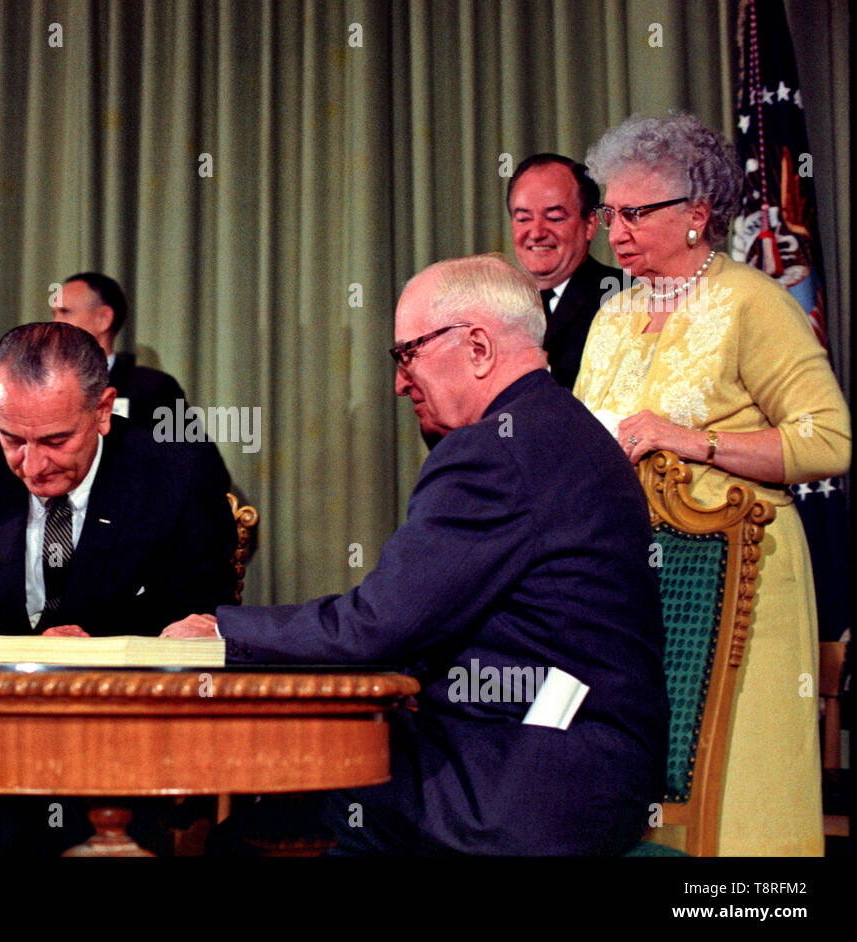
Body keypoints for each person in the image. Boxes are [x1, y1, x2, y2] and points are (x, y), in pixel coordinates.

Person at [165, 254, 668, 856]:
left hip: (519, 784)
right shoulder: (569, 428)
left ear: (478, 346)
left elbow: (377, 627)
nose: (400, 382)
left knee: (269, 815)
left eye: (408, 353)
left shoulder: (493, 453)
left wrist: (223, 630)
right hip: (583, 772)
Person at [574, 112, 851, 855]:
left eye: (635, 213)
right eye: (608, 213)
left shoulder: (753, 303)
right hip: (640, 587)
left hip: (747, 583)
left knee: (743, 792)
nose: (614, 230)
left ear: (697, 216)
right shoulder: (612, 315)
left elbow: (829, 440)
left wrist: (694, 440)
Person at [0, 321, 236, 637]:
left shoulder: (179, 479)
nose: (34, 466)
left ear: (102, 411)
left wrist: (97, 642)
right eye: (13, 439)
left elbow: (206, 614)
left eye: (55, 441)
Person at [508, 153, 623, 389]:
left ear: (590, 224)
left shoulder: (623, 297)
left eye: (555, 218)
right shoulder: (497, 306)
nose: (537, 232)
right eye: (523, 219)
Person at [50, 272, 187, 429]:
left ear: (103, 319)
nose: (54, 323)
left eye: (65, 312)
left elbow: (192, 452)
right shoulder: (42, 384)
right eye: (54, 314)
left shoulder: (152, 389)